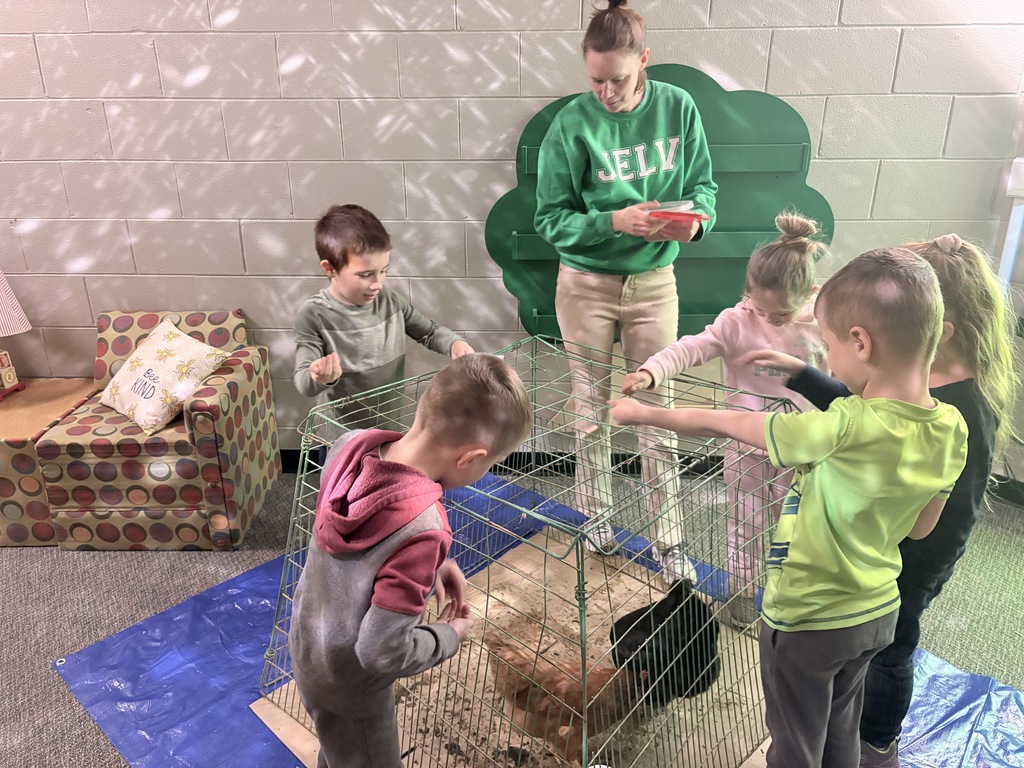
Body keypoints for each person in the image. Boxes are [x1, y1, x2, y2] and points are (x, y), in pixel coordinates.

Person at [608, 248, 969, 768]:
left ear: (861, 342)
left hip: (807, 618)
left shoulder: (842, 423)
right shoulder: (951, 428)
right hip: (875, 613)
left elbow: (729, 425)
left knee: (794, 741)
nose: (829, 355)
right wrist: (803, 371)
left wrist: (644, 412)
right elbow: (918, 529)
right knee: (840, 727)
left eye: (829, 345)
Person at [745, 234, 1019, 768]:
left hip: (908, 564)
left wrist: (913, 578)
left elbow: (951, 516)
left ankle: (878, 743)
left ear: (939, 332)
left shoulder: (960, 409)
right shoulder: (912, 385)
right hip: (876, 551)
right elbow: (861, 418)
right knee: (856, 657)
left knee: (892, 651)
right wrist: (805, 375)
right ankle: (843, 739)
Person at [534, 0, 717, 582]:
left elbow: (704, 185)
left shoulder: (678, 108)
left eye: (619, 79)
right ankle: (597, 517)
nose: (607, 92)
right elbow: (549, 219)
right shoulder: (570, 123)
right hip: (584, 281)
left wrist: (698, 221)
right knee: (591, 408)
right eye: (595, 79)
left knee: (654, 410)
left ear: (645, 61)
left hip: (654, 282)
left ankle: (669, 541)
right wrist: (613, 222)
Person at [289, 353, 534, 768]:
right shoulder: (425, 528)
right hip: (353, 683)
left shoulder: (348, 447)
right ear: (470, 458)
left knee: (338, 748)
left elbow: (371, 531)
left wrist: (435, 562)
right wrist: (448, 634)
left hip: (308, 646)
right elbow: (380, 651)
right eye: (490, 464)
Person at [621, 212, 829, 629]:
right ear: (747, 291)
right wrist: (651, 371)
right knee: (745, 520)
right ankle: (740, 592)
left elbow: (844, 376)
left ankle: (793, 599)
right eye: (761, 308)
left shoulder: (824, 323)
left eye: (781, 314)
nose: (769, 320)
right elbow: (690, 347)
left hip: (804, 446)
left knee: (800, 523)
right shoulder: (736, 321)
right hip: (746, 442)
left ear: (810, 292)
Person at [293, 204, 474, 458]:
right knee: (343, 496)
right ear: (330, 269)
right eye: (365, 274)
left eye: (383, 270)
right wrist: (319, 376)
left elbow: (429, 332)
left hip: (389, 430)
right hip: (341, 438)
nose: (377, 283)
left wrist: (454, 343)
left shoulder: (390, 300)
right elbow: (303, 382)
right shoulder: (314, 314)